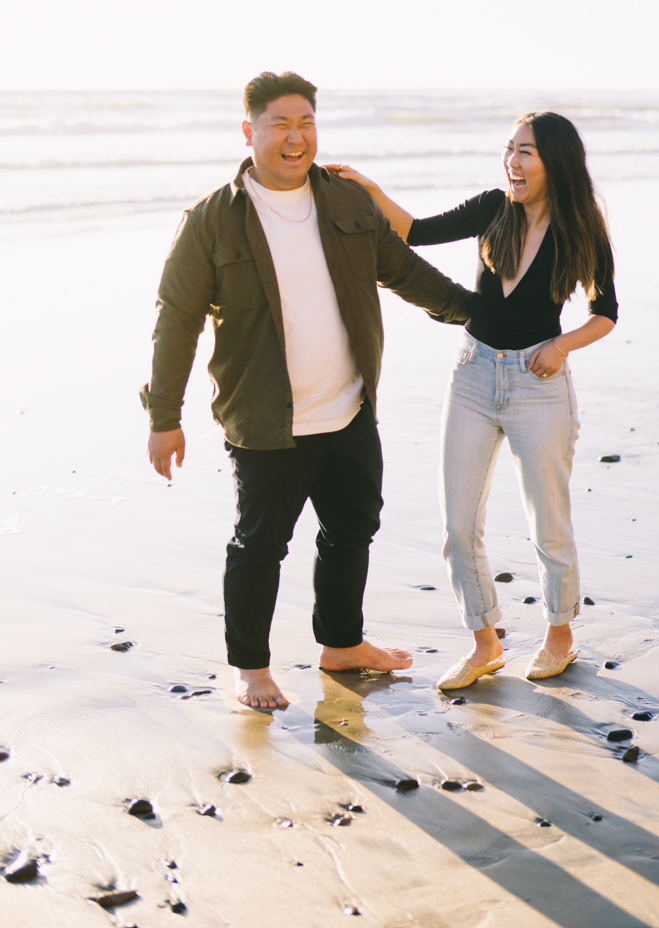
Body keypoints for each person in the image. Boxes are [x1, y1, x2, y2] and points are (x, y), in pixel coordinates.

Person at [141, 71, 476, 710]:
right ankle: (251, 667)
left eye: (306, 124)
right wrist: (164, 416)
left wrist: (478, 312)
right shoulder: (212, 221)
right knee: (260, 544)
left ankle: (341, 644)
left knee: (352, 528)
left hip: (348, 407)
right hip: (266, 419)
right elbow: (176, 320)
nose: (296, 139)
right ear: (250, 132)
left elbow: (404, 272)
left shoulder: (347, 202)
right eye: (280, 125)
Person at [329, 111, 618, 690]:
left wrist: (561, 345)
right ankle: (485, 641)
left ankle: (559, 632)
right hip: (473, 375)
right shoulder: (493, 208)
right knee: (458, 523)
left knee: (548, 521)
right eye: (509, 149)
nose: (512, 161)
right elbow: (414, 231)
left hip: (539, 386)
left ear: (554, 162)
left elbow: (605, 311)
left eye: (526, 152)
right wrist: (372, 192)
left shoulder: (579, 230)